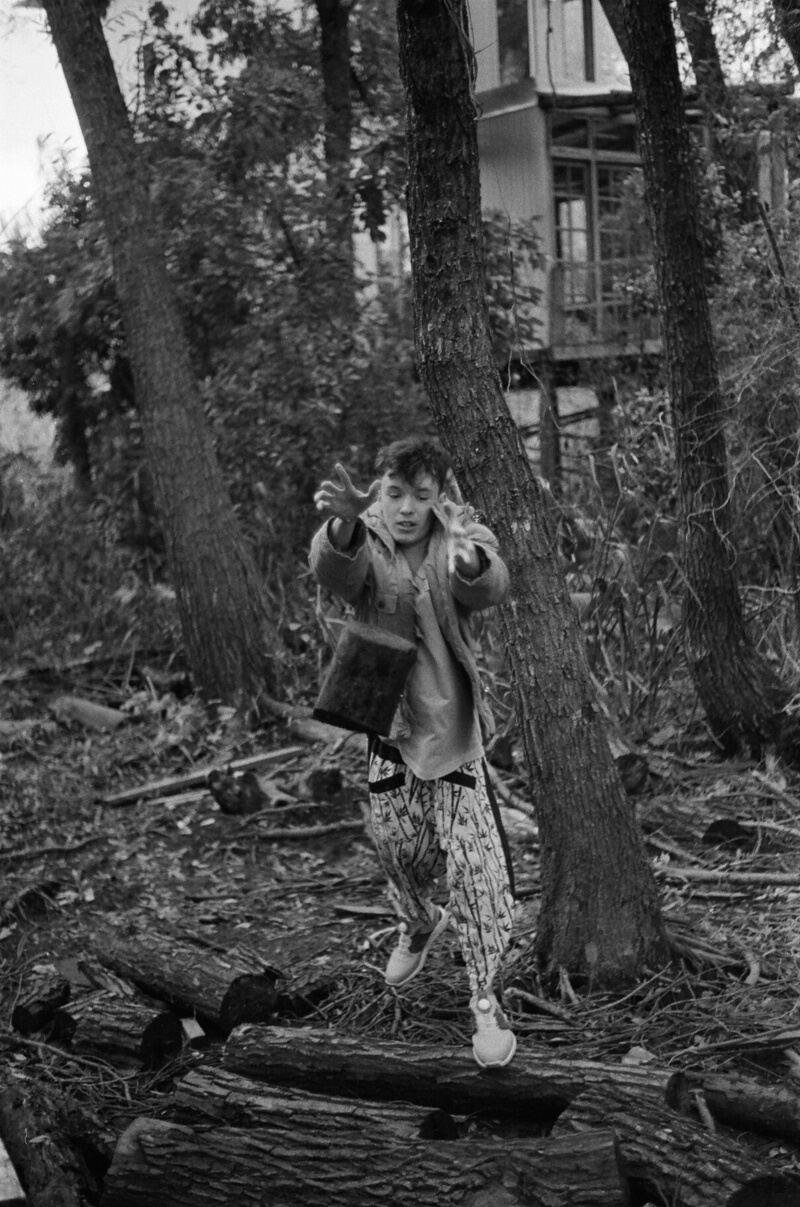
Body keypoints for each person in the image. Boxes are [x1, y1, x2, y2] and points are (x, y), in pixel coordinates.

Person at [309, 436, 516, 1068]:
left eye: (420, 496)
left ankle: (485, 999)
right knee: (399, 849)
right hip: (389, 730)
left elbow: (489, 585)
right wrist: (344, 524)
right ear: (380, 491)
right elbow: (335, 572)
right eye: (395, 494)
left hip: (453, 737)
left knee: (476, 872)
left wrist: (468, 556)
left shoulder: (458, 532)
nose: (405, 509)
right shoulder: (365, 534)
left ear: (437, 498)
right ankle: (420, 921)